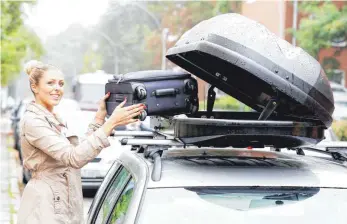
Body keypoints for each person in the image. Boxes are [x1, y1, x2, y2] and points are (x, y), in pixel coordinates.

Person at [17, 60, 145, 224]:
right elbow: (74, 158)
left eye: (61, 84)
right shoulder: (33, 121)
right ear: (34, 87)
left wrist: (100, 117)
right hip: (46, 207)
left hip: (63, 202)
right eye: (50, 83)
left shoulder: (53, 118)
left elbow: (80, 152)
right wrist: (111, 123)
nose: (57, 88)